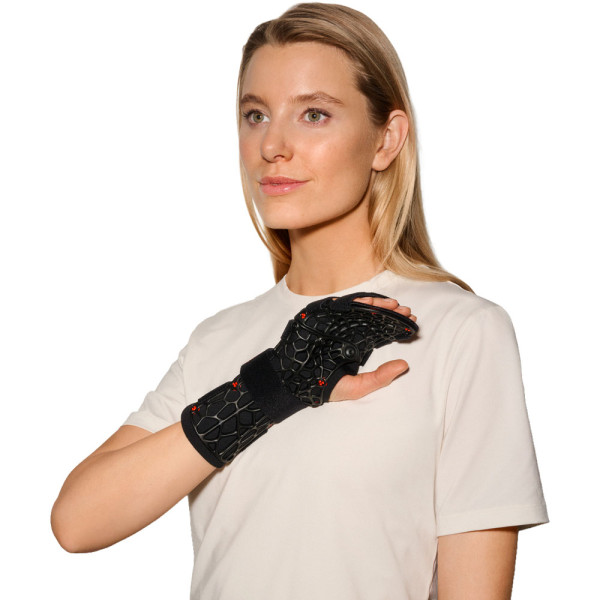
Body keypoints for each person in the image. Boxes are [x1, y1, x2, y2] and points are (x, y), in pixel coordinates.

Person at [51, 3, 548, 599]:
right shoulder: (219, 339)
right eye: (255, 115)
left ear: (386, 139)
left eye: (314, 114)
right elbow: (77, 523)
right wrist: (269, 388)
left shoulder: (460, 331)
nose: (272, 145)